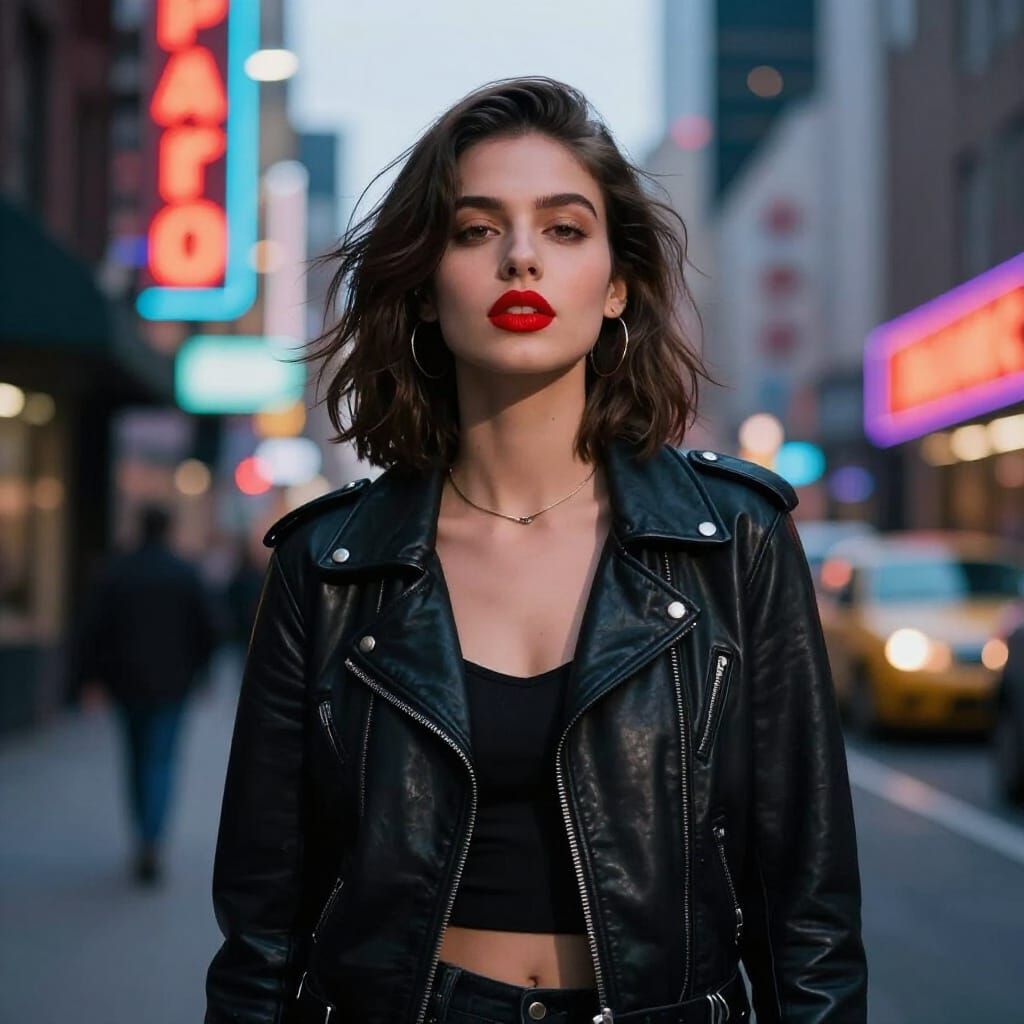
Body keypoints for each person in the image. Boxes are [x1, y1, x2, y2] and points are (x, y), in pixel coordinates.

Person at [205, 77, 867, 1024]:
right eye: (476, 230)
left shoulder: (731, 541)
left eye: (564, 228)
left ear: (617, 284)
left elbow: (808, 914)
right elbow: (263, 929)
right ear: (424, 287)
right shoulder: (330, 564)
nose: (521, 257)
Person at [77, 504, 218, 884]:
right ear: (168, 528)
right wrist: (202, 673)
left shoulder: (117, 571)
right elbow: (208, 628)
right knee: (161, 759)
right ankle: (152, 838)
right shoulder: (184, 572)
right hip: (173, 684)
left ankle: (144, 833)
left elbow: (93, 629)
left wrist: (91, 679)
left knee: (137, 758)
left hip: (126, 683)